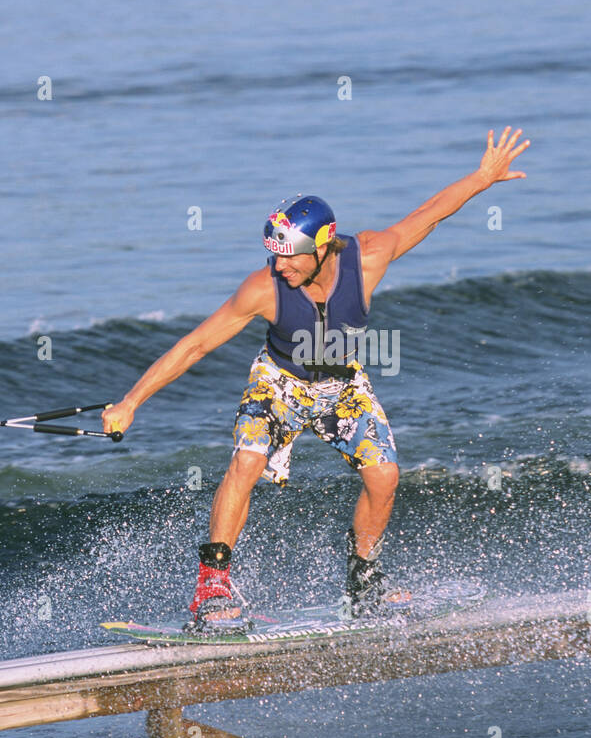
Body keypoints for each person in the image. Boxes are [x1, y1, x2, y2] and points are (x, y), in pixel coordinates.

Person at [102, 127, 529, 630]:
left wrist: (483, 177)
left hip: (342, 387)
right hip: (278, 385)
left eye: (289, 256)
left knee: (384, 475)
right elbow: (195, 344)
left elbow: (428, 215)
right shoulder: (263, 288)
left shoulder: (367, 259)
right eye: (274, 254)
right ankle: (212, 589)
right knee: (247, 461)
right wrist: (132, 401)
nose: (278, 265)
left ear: (323, 247)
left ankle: (363, 584)